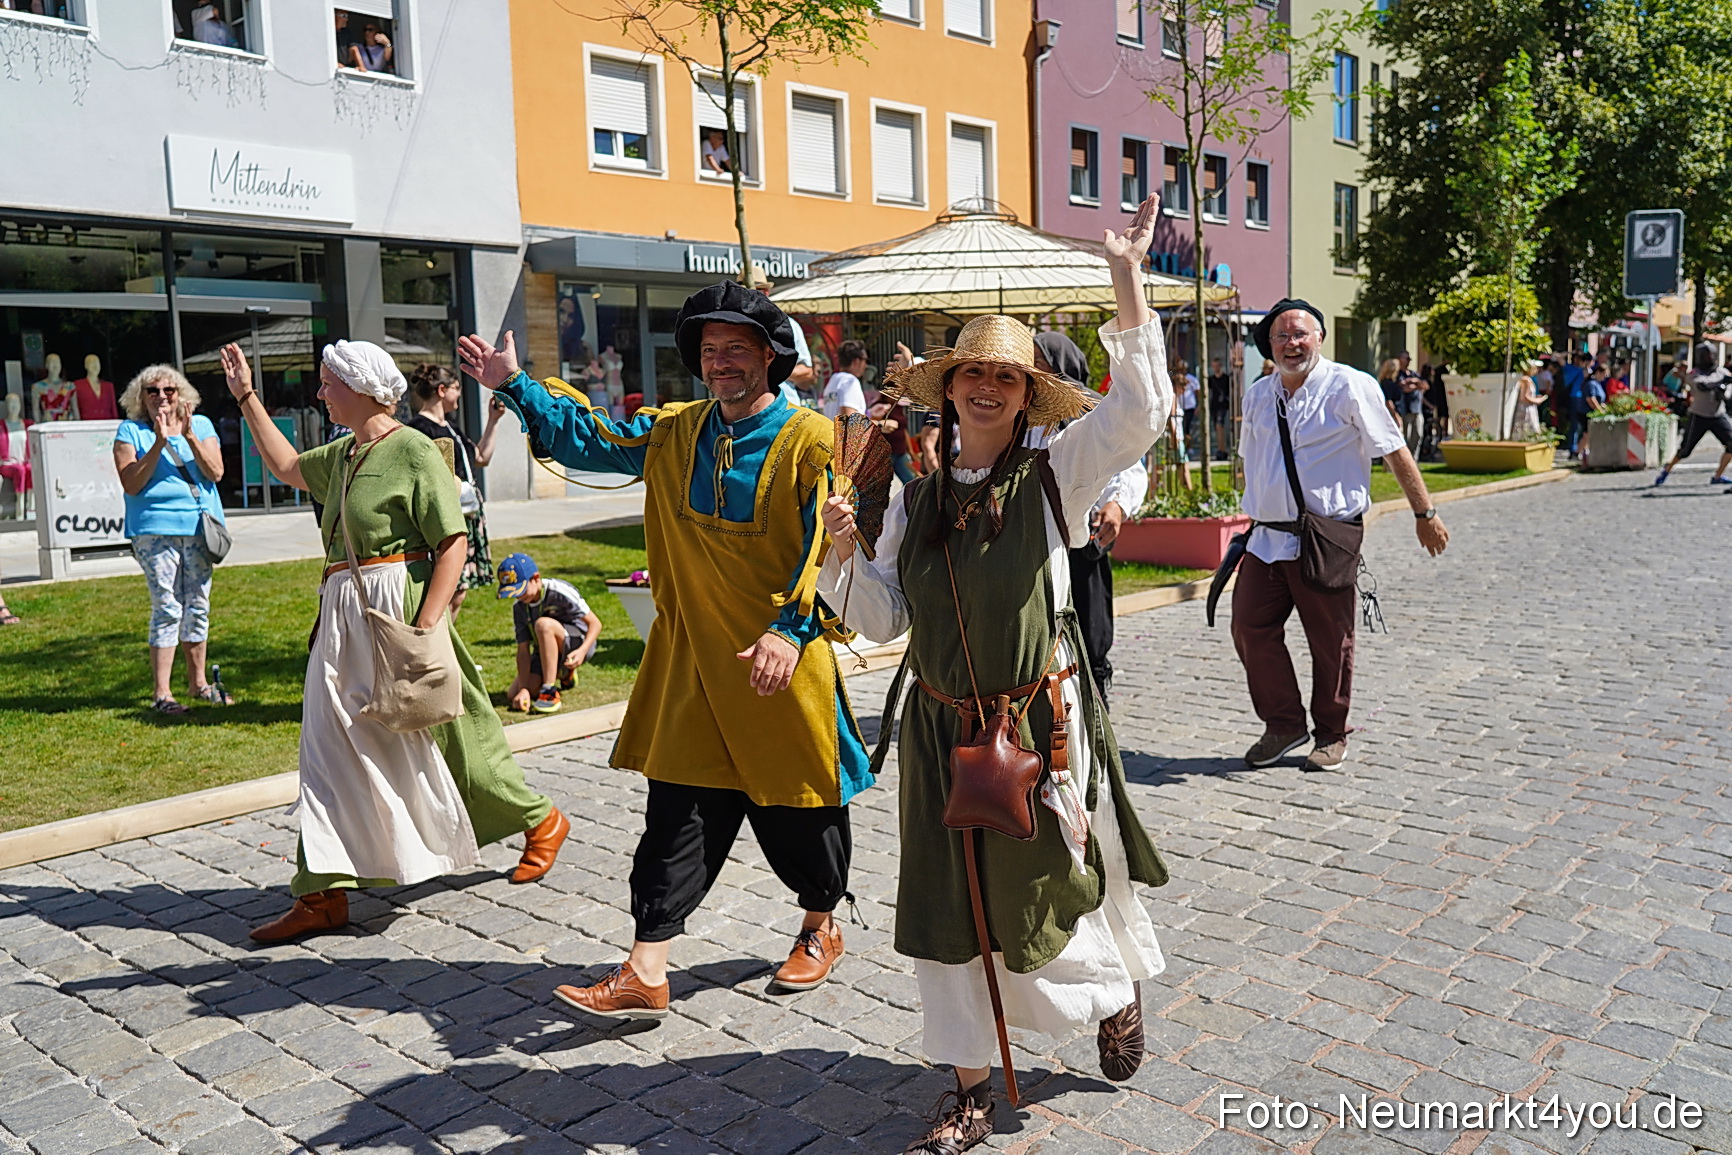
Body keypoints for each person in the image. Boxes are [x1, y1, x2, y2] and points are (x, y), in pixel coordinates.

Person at [817, 196, 1171, 1154]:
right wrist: (844, 556)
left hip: (1037, 725)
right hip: (940, 737)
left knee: (1055, 882)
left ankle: (1111, 991)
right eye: (971, 371)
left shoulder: (1058, 475)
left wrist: (1126, 277)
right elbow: (884, 618)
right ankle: (969, 1087)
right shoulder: (919, 500)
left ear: (1024, 394)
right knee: (947, 910)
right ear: (951, 388)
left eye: (1004, 377)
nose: (985, 387)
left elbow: (1142, 411)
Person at [459, 281, 874, 1020]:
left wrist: (791, 629)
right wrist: (514, 385)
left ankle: (820, 924)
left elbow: (825, 550)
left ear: (771, 358)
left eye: (737, 351)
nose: (720, 364)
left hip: (779, 663)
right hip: (693, 668)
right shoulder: (676, 430)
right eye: (710, 351)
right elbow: (589, 439)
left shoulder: (813, 438)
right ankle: (646, 967)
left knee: (800, 813)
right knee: (676, 813)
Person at [219, 340, 571, 944]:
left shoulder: (412, 448)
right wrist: (246, 397)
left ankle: (540, 820)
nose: (321, 392)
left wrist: (428, 624)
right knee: (327, 748)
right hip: (342, 613)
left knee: (452, 734)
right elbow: (284, 466)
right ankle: (321, 894)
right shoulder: (342, 454)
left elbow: (452, 541)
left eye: (329, 383)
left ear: (361, 389)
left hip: (400, 609)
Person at [1235, 300, 1449, 772]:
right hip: (1267, 537)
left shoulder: (1350, 385)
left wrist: (1424, 512)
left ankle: (1332, 734)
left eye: (1300, 334)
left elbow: (1393, 450)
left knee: (1331, 640)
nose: (1292, 344)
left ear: (1319, 337)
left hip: (1327, 535)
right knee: (1249, 627)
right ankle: (1284, 724)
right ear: (1268, 346)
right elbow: (1251, 460)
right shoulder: (1258, 394)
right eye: (1282, 337)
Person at [1031, 330, 1147, 699]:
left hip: (1083, 534)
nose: (1033, 368)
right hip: (1034, 537)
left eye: (1041, 361)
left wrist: (1117, 505)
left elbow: (1128, 467)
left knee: (1088, 615)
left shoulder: (1096, 411)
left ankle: (1093, 693)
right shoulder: (1023, 410)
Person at [112, 365, 232, 715]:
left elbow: (217, 472)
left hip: (198, 526)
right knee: (167, 605)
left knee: (198, 603)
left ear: (182, 394)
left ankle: (198, 685)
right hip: (153, 531)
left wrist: (189, 436)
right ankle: (162, 694)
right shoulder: (131, 431)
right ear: (141, 396)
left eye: (169, 390)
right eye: (153, 391)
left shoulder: (203, 425)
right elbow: (131, 483)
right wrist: (159, 443)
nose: (162, 397)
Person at [406, 363, 506, 620]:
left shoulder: (451, 428)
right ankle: (437, 648)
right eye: (456, 387)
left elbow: (481, 457)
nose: (460, 393)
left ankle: (445, 649)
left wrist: (493, 421)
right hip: (447, 515)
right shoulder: (419, 429)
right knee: (448, 588)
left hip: (466, 513)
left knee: (459, 590)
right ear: (442, 390)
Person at [498, 551, 602, 714]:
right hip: (543, 650)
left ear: (536, 578)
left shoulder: (559, 590)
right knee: (514, 694)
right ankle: (565, 674)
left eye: (521, 589)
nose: (518, 595)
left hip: (578, 643)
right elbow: (523, 650)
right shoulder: (519, 607)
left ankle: (549, 690)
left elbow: (595, 624)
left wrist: (582, 652)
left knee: (543, 625)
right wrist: (524, 688)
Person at [1653, 343, 1732, 486]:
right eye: (1706, 356)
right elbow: (1702, 385)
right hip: (1699, 416)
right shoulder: (1694, 374)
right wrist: (1720, 382)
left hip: (1718, 415)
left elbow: (1728, 392)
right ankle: (1667, 470)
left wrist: (1724, 391)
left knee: (1731, 444)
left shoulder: (1722, 372)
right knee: (1685, 450)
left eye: (1711, 355)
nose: (1709, 358)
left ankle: (1718, 476)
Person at [821, 340, 868, 418]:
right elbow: (848, 421)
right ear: (856, 361)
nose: (866, 365)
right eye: (865, 360)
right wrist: (880, 424)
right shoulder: (850, 381)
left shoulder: (833, 380)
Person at [1511, 361, 1545, 437]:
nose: (1536, 370)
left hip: (1526, 407)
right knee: (1528, 430)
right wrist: (1538, 400)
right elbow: (1525, 397)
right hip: (1526, 408)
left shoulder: (1524, 379)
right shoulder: (1527, 380)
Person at [1174, 357, 1200, 456]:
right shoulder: (1177, 378)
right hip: (1179, 407)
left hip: (1190, 406)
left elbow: (1198, 392)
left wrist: (1198, 406)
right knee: (1180, 427)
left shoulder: (1192, 379)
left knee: (1187, 427)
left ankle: (1189, 446)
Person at [1208, 355, 1232, 458]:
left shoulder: (1226, 378)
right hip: (1214, 405)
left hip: (1224, 406)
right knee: (1216, 427)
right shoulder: (1211, 379)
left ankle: (1222, 449)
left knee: (1220, 426)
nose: (1216, 368)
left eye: (1217, 366)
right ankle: (1220, 449)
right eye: (1214, 366)